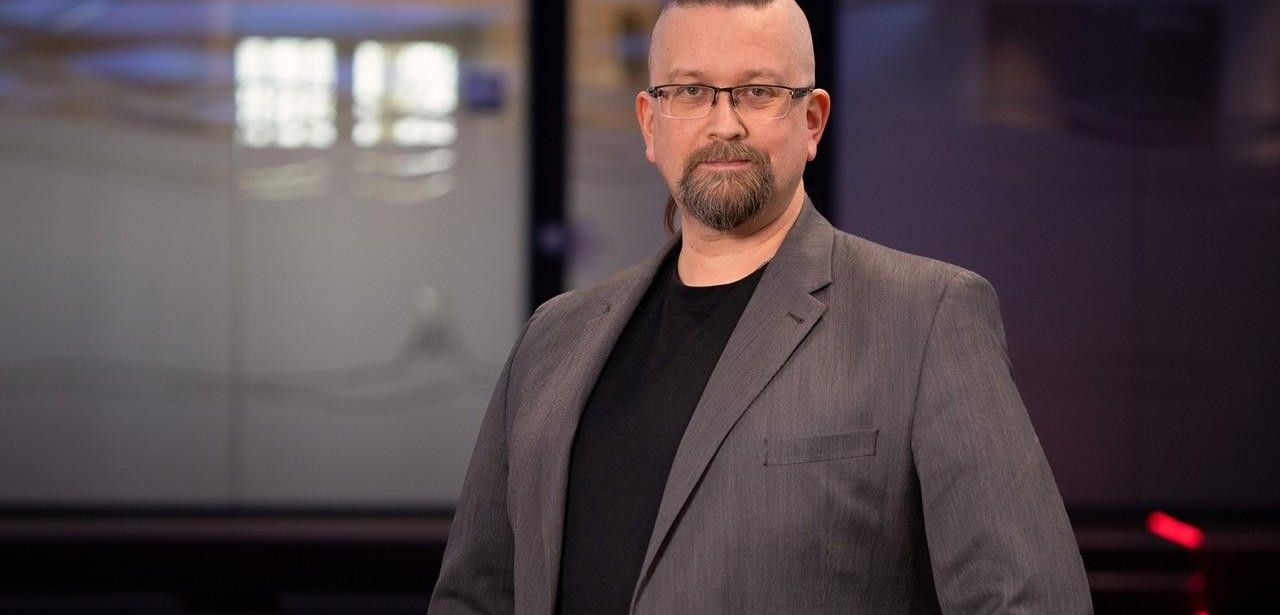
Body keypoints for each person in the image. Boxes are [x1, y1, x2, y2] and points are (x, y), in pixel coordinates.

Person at [428, 0, 1092, 613]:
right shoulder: (554, 337)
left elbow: (1029, 601)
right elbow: (474, 597)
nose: (724, 123)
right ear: (650, 123)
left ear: (812, 121)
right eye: (690, 91)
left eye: (758, 91)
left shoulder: (925, 317)